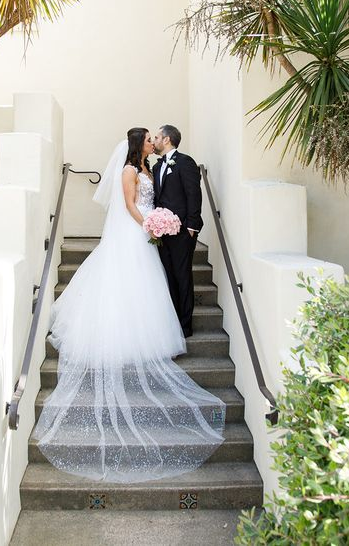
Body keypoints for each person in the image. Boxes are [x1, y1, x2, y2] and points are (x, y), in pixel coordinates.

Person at [32, 127, 224, 483]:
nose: (153, 141)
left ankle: (164, 330)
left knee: (156, 284)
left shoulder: (150, 168)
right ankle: (128, 335)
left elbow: (163, 196)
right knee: (133, 284)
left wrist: (167, 223)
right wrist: (149, 225)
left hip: (153, 234)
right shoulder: (128, 170)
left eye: (156, 137)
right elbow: (130, 205)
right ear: (140, 143)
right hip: (137, 233)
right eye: (149, 138)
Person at [152, 125, 203, 338]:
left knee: (183, 276)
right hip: (162, 232)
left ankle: (185, 326)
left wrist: (191, 226)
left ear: (166, 140)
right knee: (169, 276)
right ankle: (172, 321)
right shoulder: (156, 168)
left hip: (183, 231)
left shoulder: (185, 162)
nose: (153, 141)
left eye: (156, 137)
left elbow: (194, 194)